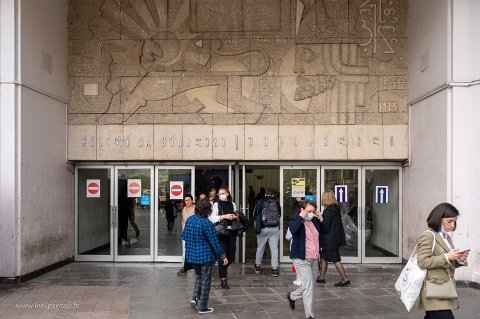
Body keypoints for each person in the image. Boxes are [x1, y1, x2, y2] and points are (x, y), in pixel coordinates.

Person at [417, 203, 469, 319]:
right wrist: (446, 257)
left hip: (444, 290)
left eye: (454, 222)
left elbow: (448, 261)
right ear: (438, 219)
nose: (453, 225)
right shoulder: (428, 236)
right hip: (434, 291)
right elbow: (422, 262)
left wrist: (459, 259)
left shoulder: (446, 237)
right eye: (449, 221)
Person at [182, 199, 228, 315]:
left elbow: (184, 236)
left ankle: (195, 298)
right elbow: (214, 242)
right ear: (207, 210)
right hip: (205, 257)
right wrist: (223, 256)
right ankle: (203, 306)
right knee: (206, 281)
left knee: (200, 276)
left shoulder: (190, 219)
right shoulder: (206, 223)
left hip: (192, 256)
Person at [286, 199, 328, 319]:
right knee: (309, 286)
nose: (311, 213)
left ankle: (293, 296)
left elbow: (325, 232)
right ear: (302, 210)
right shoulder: (294, 219)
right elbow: (293, 230)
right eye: (309, 211)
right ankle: (310, 316)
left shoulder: (314, 220)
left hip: (313, 259)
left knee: (310, 285)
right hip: (301, 258)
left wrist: (321, 219)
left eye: (313, 211)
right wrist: (301, 217)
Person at [317, 190, 350, 287]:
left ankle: (345, 279)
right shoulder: (335, 209)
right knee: (323, 258)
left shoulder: (328, 211)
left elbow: (325, 225)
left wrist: (320, 217)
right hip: (334, 238)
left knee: (336, 259)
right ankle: (321, 277)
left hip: (329, 240)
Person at [208, 185, 238, 289]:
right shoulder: (217, 204)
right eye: (219, 194)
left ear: (227, 194)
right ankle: (223, 280)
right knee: (223, 257)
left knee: (231, 257)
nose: (221, 195)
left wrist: (235, 216)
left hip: (231, 232)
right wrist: (224, 216)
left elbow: (235, 214)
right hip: (221, 233)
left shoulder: (232, 204)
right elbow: (212, 218)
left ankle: (222, 271)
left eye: (223, 193)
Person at [253, 188, 281, 277]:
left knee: (260, 247)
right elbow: (279, 214)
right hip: (274, 228)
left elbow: (255, 214)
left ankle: (257, 266)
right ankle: (274, 269)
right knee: (274, 248)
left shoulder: (260, 201)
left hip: (263, 228)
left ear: (265, 194)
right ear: (273, 194)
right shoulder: (276, 202)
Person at [178, 194, 196, 275]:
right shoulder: (184, 209)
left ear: (192, 200)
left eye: (189, 200)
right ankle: (184, 267)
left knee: (194, 249)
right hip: (186, 233)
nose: (187, 202)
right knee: (185, 250)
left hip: (195, 232)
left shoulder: (196, 208)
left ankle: (195, 266)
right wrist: (183, 230)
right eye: (186, 200)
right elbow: (183, 220)